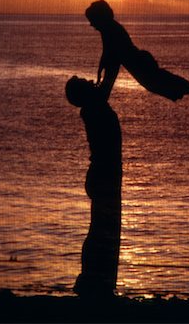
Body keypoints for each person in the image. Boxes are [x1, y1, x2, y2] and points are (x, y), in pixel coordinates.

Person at [85, 0, 189, 115]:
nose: (91, 24)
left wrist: (102, 81)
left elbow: (110, 56)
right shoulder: (108, 29)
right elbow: (107, 53)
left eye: (92, 20)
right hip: (138, 63)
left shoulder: (111, 29)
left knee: (166, 83)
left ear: (99, 17)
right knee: (164, 83)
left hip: (141, 63)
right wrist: (100, 72)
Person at [65, 76, 122, 300]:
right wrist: (114, 51)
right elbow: (110, 78)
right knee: (102, 229)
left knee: (102, 228)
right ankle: (93, 277)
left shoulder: (94, 106)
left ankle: (97, 277)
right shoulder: (94, 107)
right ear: (83, 94)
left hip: (104, 175)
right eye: (83, 81)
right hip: (103, 176)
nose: (89, 79)